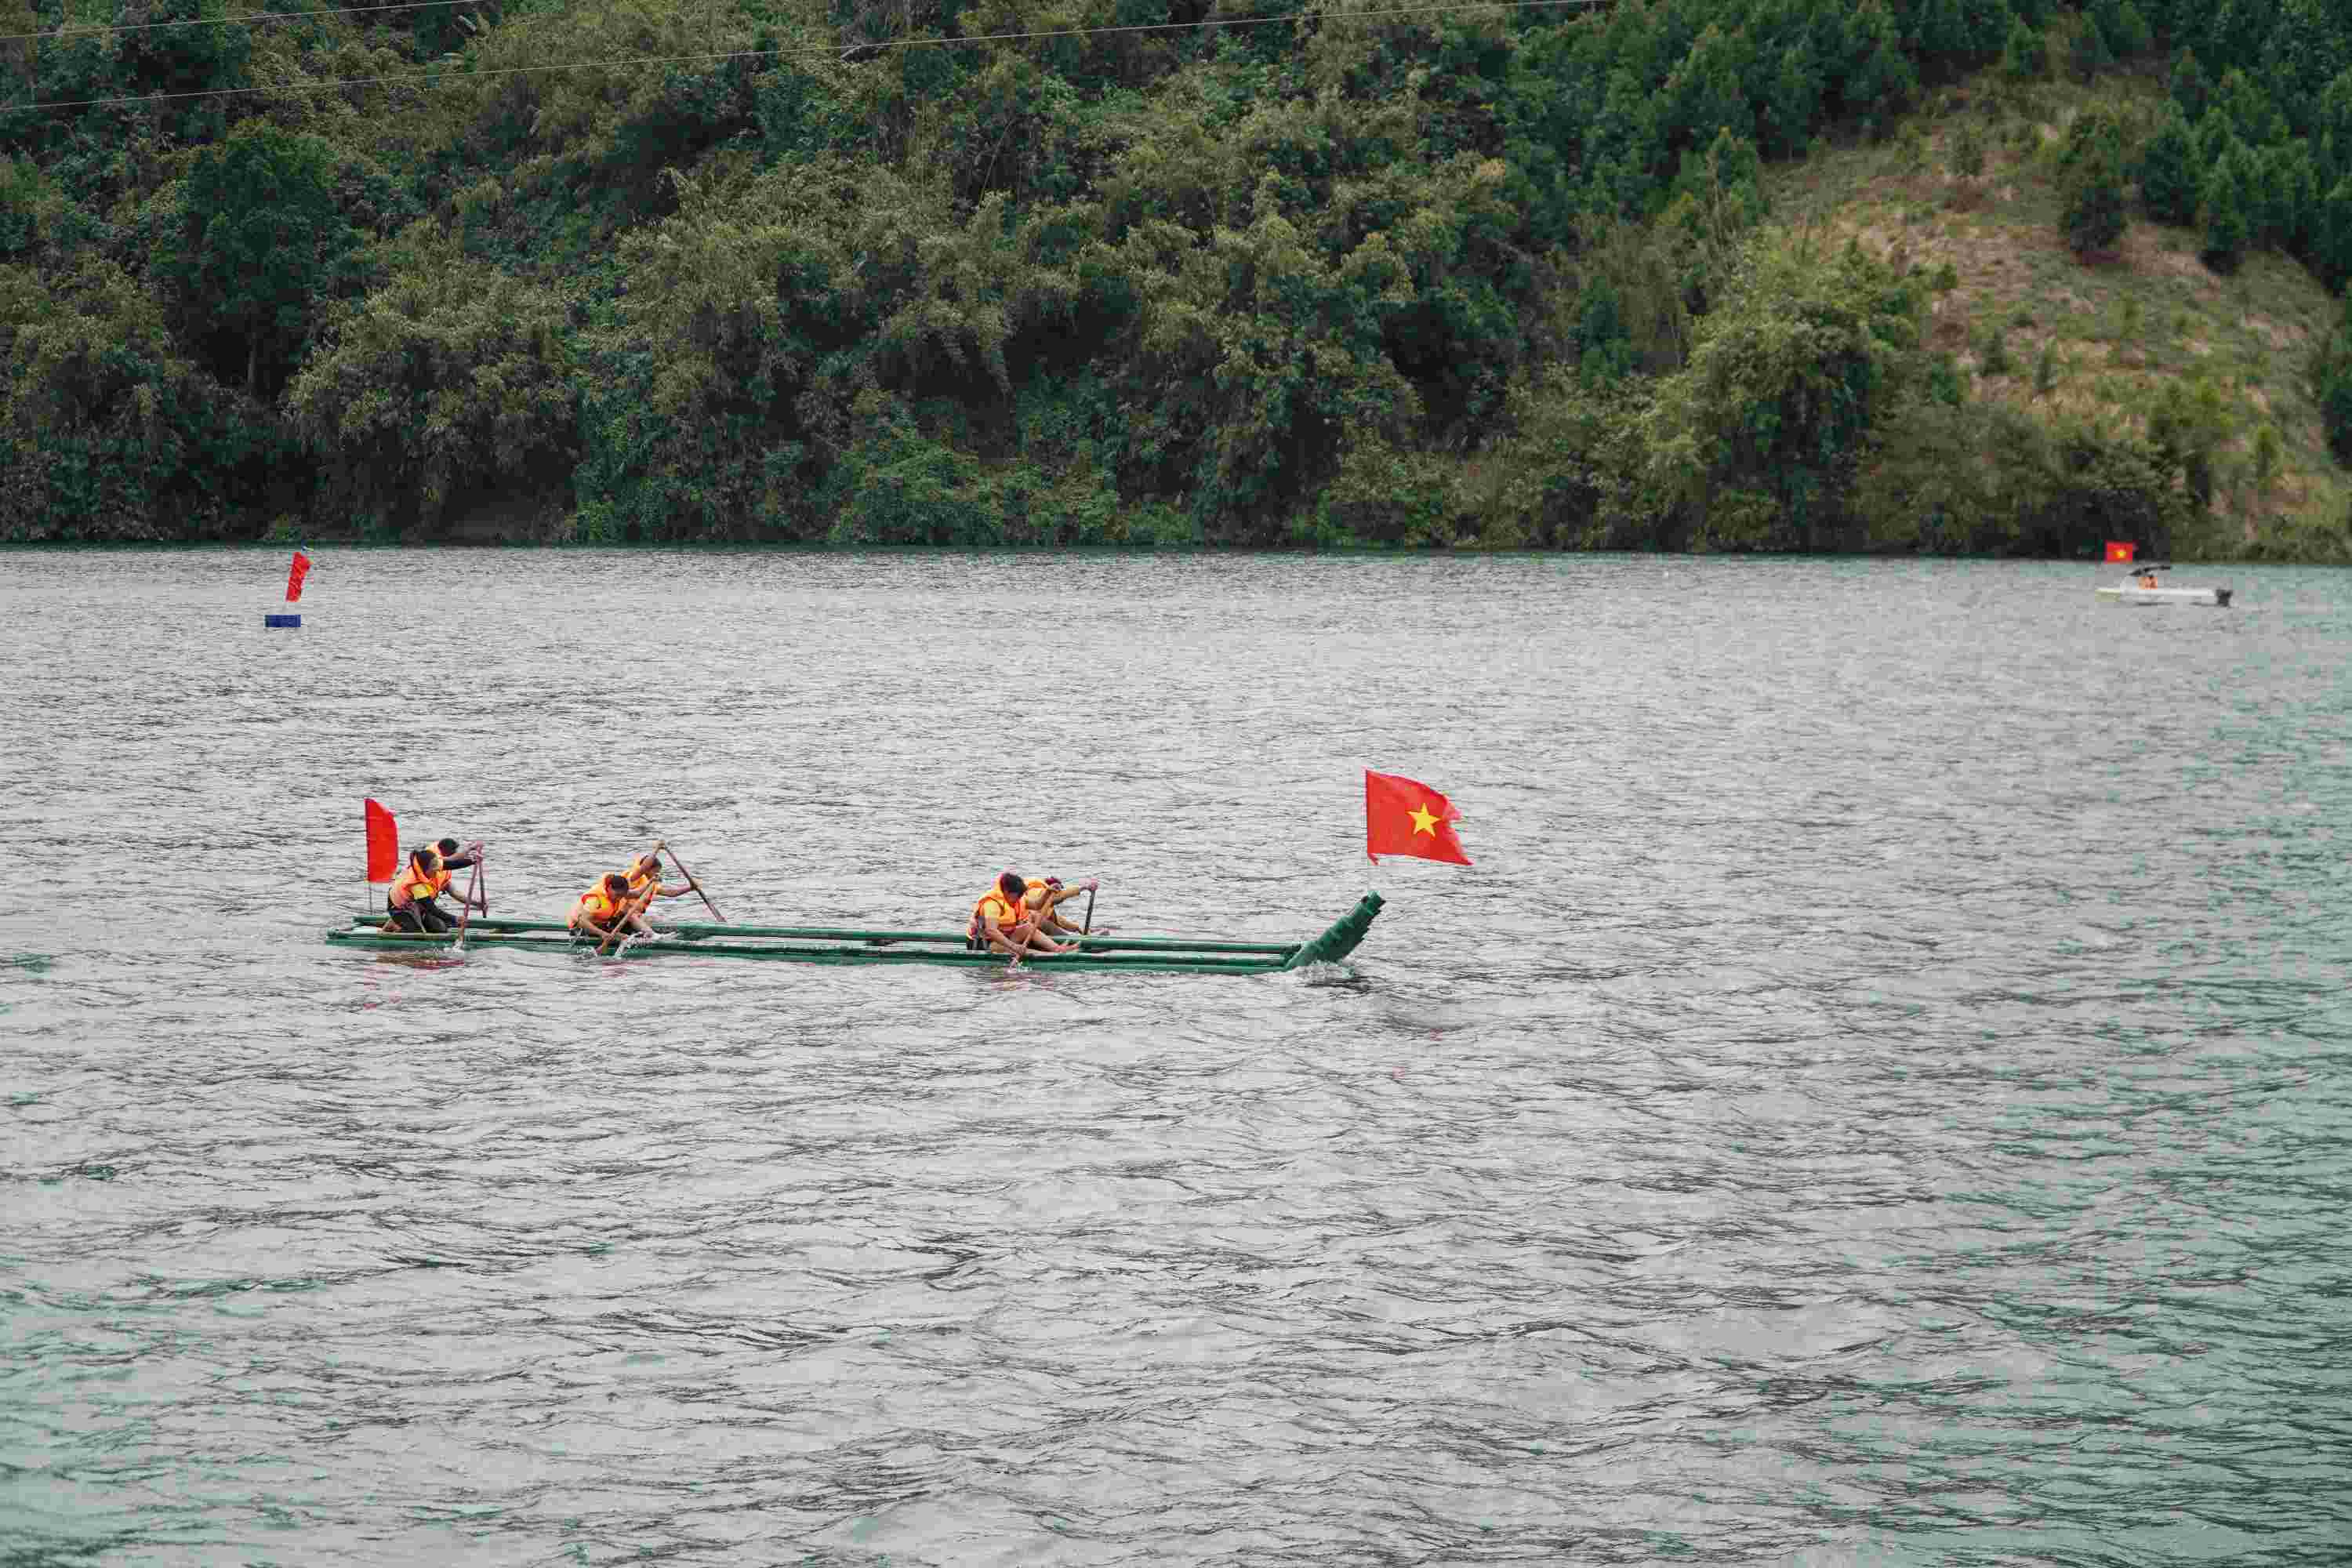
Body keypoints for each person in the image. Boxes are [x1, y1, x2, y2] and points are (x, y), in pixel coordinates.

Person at [968, 870, 1073, 966]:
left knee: (1028, 927)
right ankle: (1050, 956)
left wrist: (1047, 891)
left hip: (1005, 937)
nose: (1019, 899)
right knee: (1021, 950)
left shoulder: (1017, 896)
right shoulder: (992, 903)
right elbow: (991, 931)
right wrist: (1014, 946)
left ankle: (1057, 949)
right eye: (1017, 896)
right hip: (985, 943)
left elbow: (1037, 905)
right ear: (1007, 892)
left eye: (1020, 896)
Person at [385, 846, 472, 933]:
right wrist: (454, 918)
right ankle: (394, 925)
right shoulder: (416, 884)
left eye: (437, 866)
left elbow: (452, 864)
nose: (437, 870)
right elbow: (431, 908)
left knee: (440, 929)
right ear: (424, 869)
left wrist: (473, 861)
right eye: (433, 868)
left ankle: (417, 920)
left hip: (417, 903)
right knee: (416, 933)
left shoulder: (430, 865)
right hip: (399, 907)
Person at [620, 850, 696, 927]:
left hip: (636, 914)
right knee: (632, 915)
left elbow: (671, 893)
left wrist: (691, 888)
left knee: (657, 918)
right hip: (623, 915)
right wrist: (657, 849)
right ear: (647, 869)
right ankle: (652, 935)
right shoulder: (633, 878)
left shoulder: (652, 884)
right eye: (655, 871)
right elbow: (643, 868)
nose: (657, 874)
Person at [571, 872, 649, 946]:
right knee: (625, 938)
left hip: (602, 925)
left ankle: (647, 935)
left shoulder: (620, 892)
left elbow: (638, 893)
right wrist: (602, 934)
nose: (619, 899)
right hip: (583, 928)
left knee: (630, 924)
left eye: (622, 896)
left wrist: (651, 881)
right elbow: (582, 921)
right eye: (617, 895)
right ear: (610, 888)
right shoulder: (595, 899)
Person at [1018, 876, 1102, 938]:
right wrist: (1084, 887)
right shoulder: (1036, 891)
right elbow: (1060, 896)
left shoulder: (1047, 903)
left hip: (1029, 927)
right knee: (1050, 926)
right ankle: (1068, 943)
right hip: (1023, 928)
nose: (1062, 901)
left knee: (1051, 925)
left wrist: (1077, 928)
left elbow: (1058, 920)